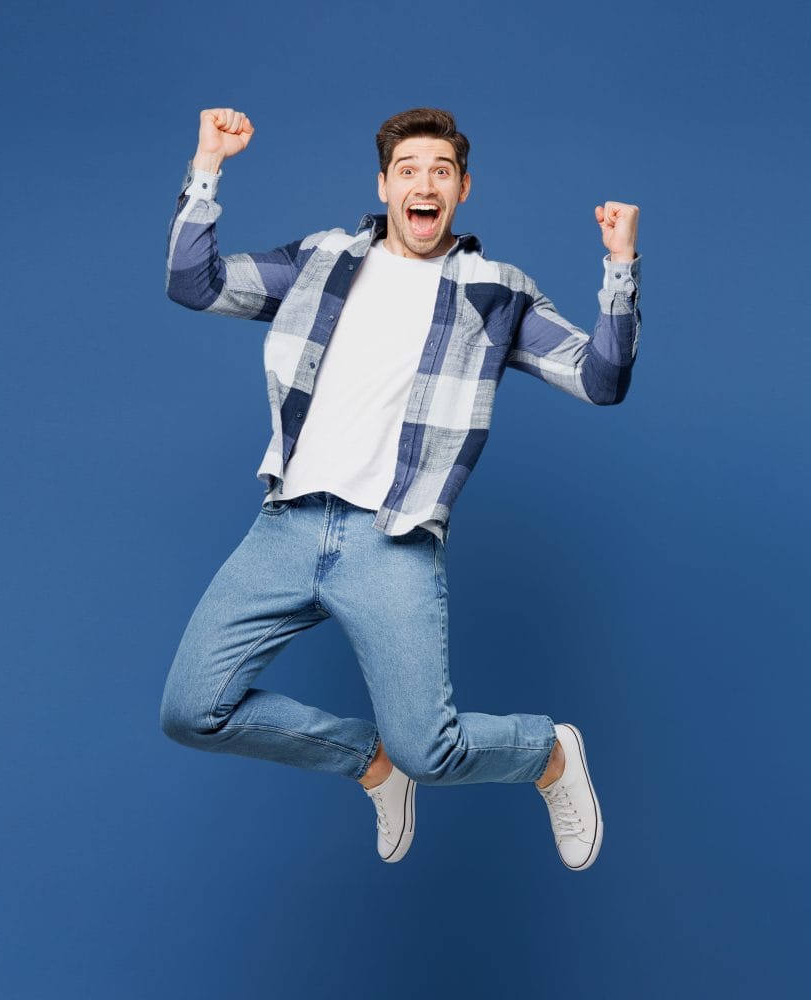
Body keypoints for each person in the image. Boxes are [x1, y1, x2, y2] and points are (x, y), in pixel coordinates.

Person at [160, 107, 641, 870]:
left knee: (432, 751)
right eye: (409, 169)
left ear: (463, 190)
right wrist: (208, 165)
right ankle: (368, 764)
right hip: (285, 527)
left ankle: (547, 752)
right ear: (384, 184)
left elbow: (601, 380)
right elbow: (194, 283)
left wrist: (620, 269)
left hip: (392, 543)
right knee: (191, 712)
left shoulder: (496, 292)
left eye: (441, 172)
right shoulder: (321, 258)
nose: (425, 184)